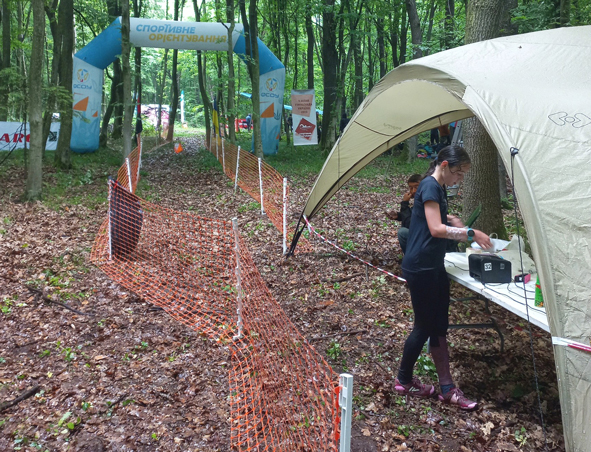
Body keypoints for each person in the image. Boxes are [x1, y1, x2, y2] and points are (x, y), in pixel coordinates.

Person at [394, 145, 492, 411]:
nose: (459, 179)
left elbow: (432, 216)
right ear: (446, 165)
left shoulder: (436, 187)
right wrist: (471, 233)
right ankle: (403, 379)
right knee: (424, 326)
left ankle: (447, 388)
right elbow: (436, 229)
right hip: (420, 266)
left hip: (434, 266)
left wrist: (452, 219)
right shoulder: (430, 186)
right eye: (459, 173)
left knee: (438, 326)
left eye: (463, 175)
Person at [385, 174, 422, 254]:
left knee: (402, 232)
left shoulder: (425, 200)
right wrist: (398, 216)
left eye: (416, 187)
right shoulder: (419, 200)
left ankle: (411, 256)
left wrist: (405, 203)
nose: (413, 191)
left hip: (425, 237)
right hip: (421, 234)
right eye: (411, 188)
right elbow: (413, 215)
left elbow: (409, 223)